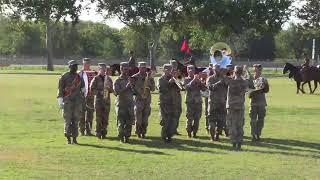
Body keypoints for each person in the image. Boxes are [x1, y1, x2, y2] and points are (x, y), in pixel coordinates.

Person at [211, 66, 249, 150]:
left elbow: (222, 74)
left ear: (234, 72)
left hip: (231, 105)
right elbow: (247, 84)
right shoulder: (244, 82)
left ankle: (234, 141)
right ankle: (239, 141)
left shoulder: (229, 80)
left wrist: (228, 71)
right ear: (241, 72)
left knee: (231, 124)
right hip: (240, 105)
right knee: (240, 124)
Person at [57, 60, 85, 144]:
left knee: (76, 120)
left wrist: (84, 93)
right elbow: (60, 89)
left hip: (77, 101)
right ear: (69, 66)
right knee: (68, 120)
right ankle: (68, 138)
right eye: (73, 66)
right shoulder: (64, 76)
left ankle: (75, 138)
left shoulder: (79, 77)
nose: (75, 67)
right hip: (67, 101)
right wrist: (60, 100)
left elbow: (83, 88)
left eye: (76, 66)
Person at [132, 62, 156, 138]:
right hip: (138, 101)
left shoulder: (149, 77)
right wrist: (139, 93)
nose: (143, 69)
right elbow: (132, 90)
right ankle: (138, 132)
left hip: (147, 101)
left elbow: (153, 89)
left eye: (144, 67)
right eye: (141, 67)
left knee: (145, 119)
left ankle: (143, 132)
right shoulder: (134, 77)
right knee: (138, 119)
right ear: (138, 68)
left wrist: (149, 81)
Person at [90, 63, 113, 139]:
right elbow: (92, 89)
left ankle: (104, 132)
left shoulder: (108, 78)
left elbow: (112, 89)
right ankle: (98, 132)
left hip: (106, 101)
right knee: (98, 117)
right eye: (102, 69)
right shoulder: (96, 78)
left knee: (105, 117)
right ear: (99, 70)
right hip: (99, 101)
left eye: (105, 69)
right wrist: (99, 92)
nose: (104, 71)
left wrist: (109, 89)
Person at [114, 62, 135, 143]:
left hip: (130, 104)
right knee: (121, 122)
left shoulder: (131, 79)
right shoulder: (118, 80)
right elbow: (116, 92)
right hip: (121, 104)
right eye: (125, 69)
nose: (126, 71)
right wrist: (126, 87)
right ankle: (121, 137)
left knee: (129, 122)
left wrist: (133, 86)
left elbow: (135, 92)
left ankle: (127, 137)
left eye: (127, 69)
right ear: (121, 69)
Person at [248, 64, 269, 142]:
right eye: (256, 70)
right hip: (253, 103)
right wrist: (255, 90)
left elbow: (266, 91)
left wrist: (265, 86)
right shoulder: (250, 79)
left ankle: (258, 134)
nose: (258, 71)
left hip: (262, 103)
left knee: (261, 120)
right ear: (254, 70)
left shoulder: (264, 79)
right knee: (253, 120)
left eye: (260, 70)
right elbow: (248, 93)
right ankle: (253, 134)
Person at [206, 64, 228, 141]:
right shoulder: (210, 78)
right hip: (212, 103)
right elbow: (210, 87)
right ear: (213, 69)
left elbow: (230, 85)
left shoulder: (224, 78)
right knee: (211, 122)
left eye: (218, 69)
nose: (217, 71)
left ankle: (217, 135)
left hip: (222, 103)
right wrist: (218, 83)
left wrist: (224, 78)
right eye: (215, 69)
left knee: (221, 122)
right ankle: (212, 137)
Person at [184, 65, 206, 138]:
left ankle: (195, 132)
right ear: (187, 70)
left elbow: (203, 89)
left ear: (194, 70)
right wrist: (193, 80)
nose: (191, 71)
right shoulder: (186, 79)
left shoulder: (198, 79)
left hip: (198, 101)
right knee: (189, 118)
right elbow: (186, 88)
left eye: (192, 69)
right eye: (189, 69)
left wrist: (202, 81)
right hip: (190, 101)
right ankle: (189, 131)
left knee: (197, 118)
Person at [158, 64, 177, 143]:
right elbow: (161, 89)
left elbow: (182, 85)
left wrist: (177, 77)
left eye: (171, 69)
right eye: (168, 69)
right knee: (165, 121)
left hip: (172, 102)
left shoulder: (173, 78)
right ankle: (164, 136)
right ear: (164, 70)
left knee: (172, 121)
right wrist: (169, 83)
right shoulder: (161, 79)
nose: (170, 71)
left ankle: (169, 136)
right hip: (164, 102)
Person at [78, 58, 97, 136]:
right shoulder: (80, 73)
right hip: (82, 97)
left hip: (91, 96)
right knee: (81, 114)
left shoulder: (93, 73)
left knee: (90, 114)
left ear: (90, 64)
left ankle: (88, 130)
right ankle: (82, 130)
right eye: (84, 63)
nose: (86, 65)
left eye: (87, 63)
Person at [170, 60, 183, 135]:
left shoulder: (178, 74)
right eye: (173, 65)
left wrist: (177, 76)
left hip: (177, 97)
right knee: (170, 114)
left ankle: (175, 129)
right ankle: (170, 129)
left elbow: (182, 85)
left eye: (175, 65)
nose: (174, 66)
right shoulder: (168, 74)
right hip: (169, 97)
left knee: (177, 113)